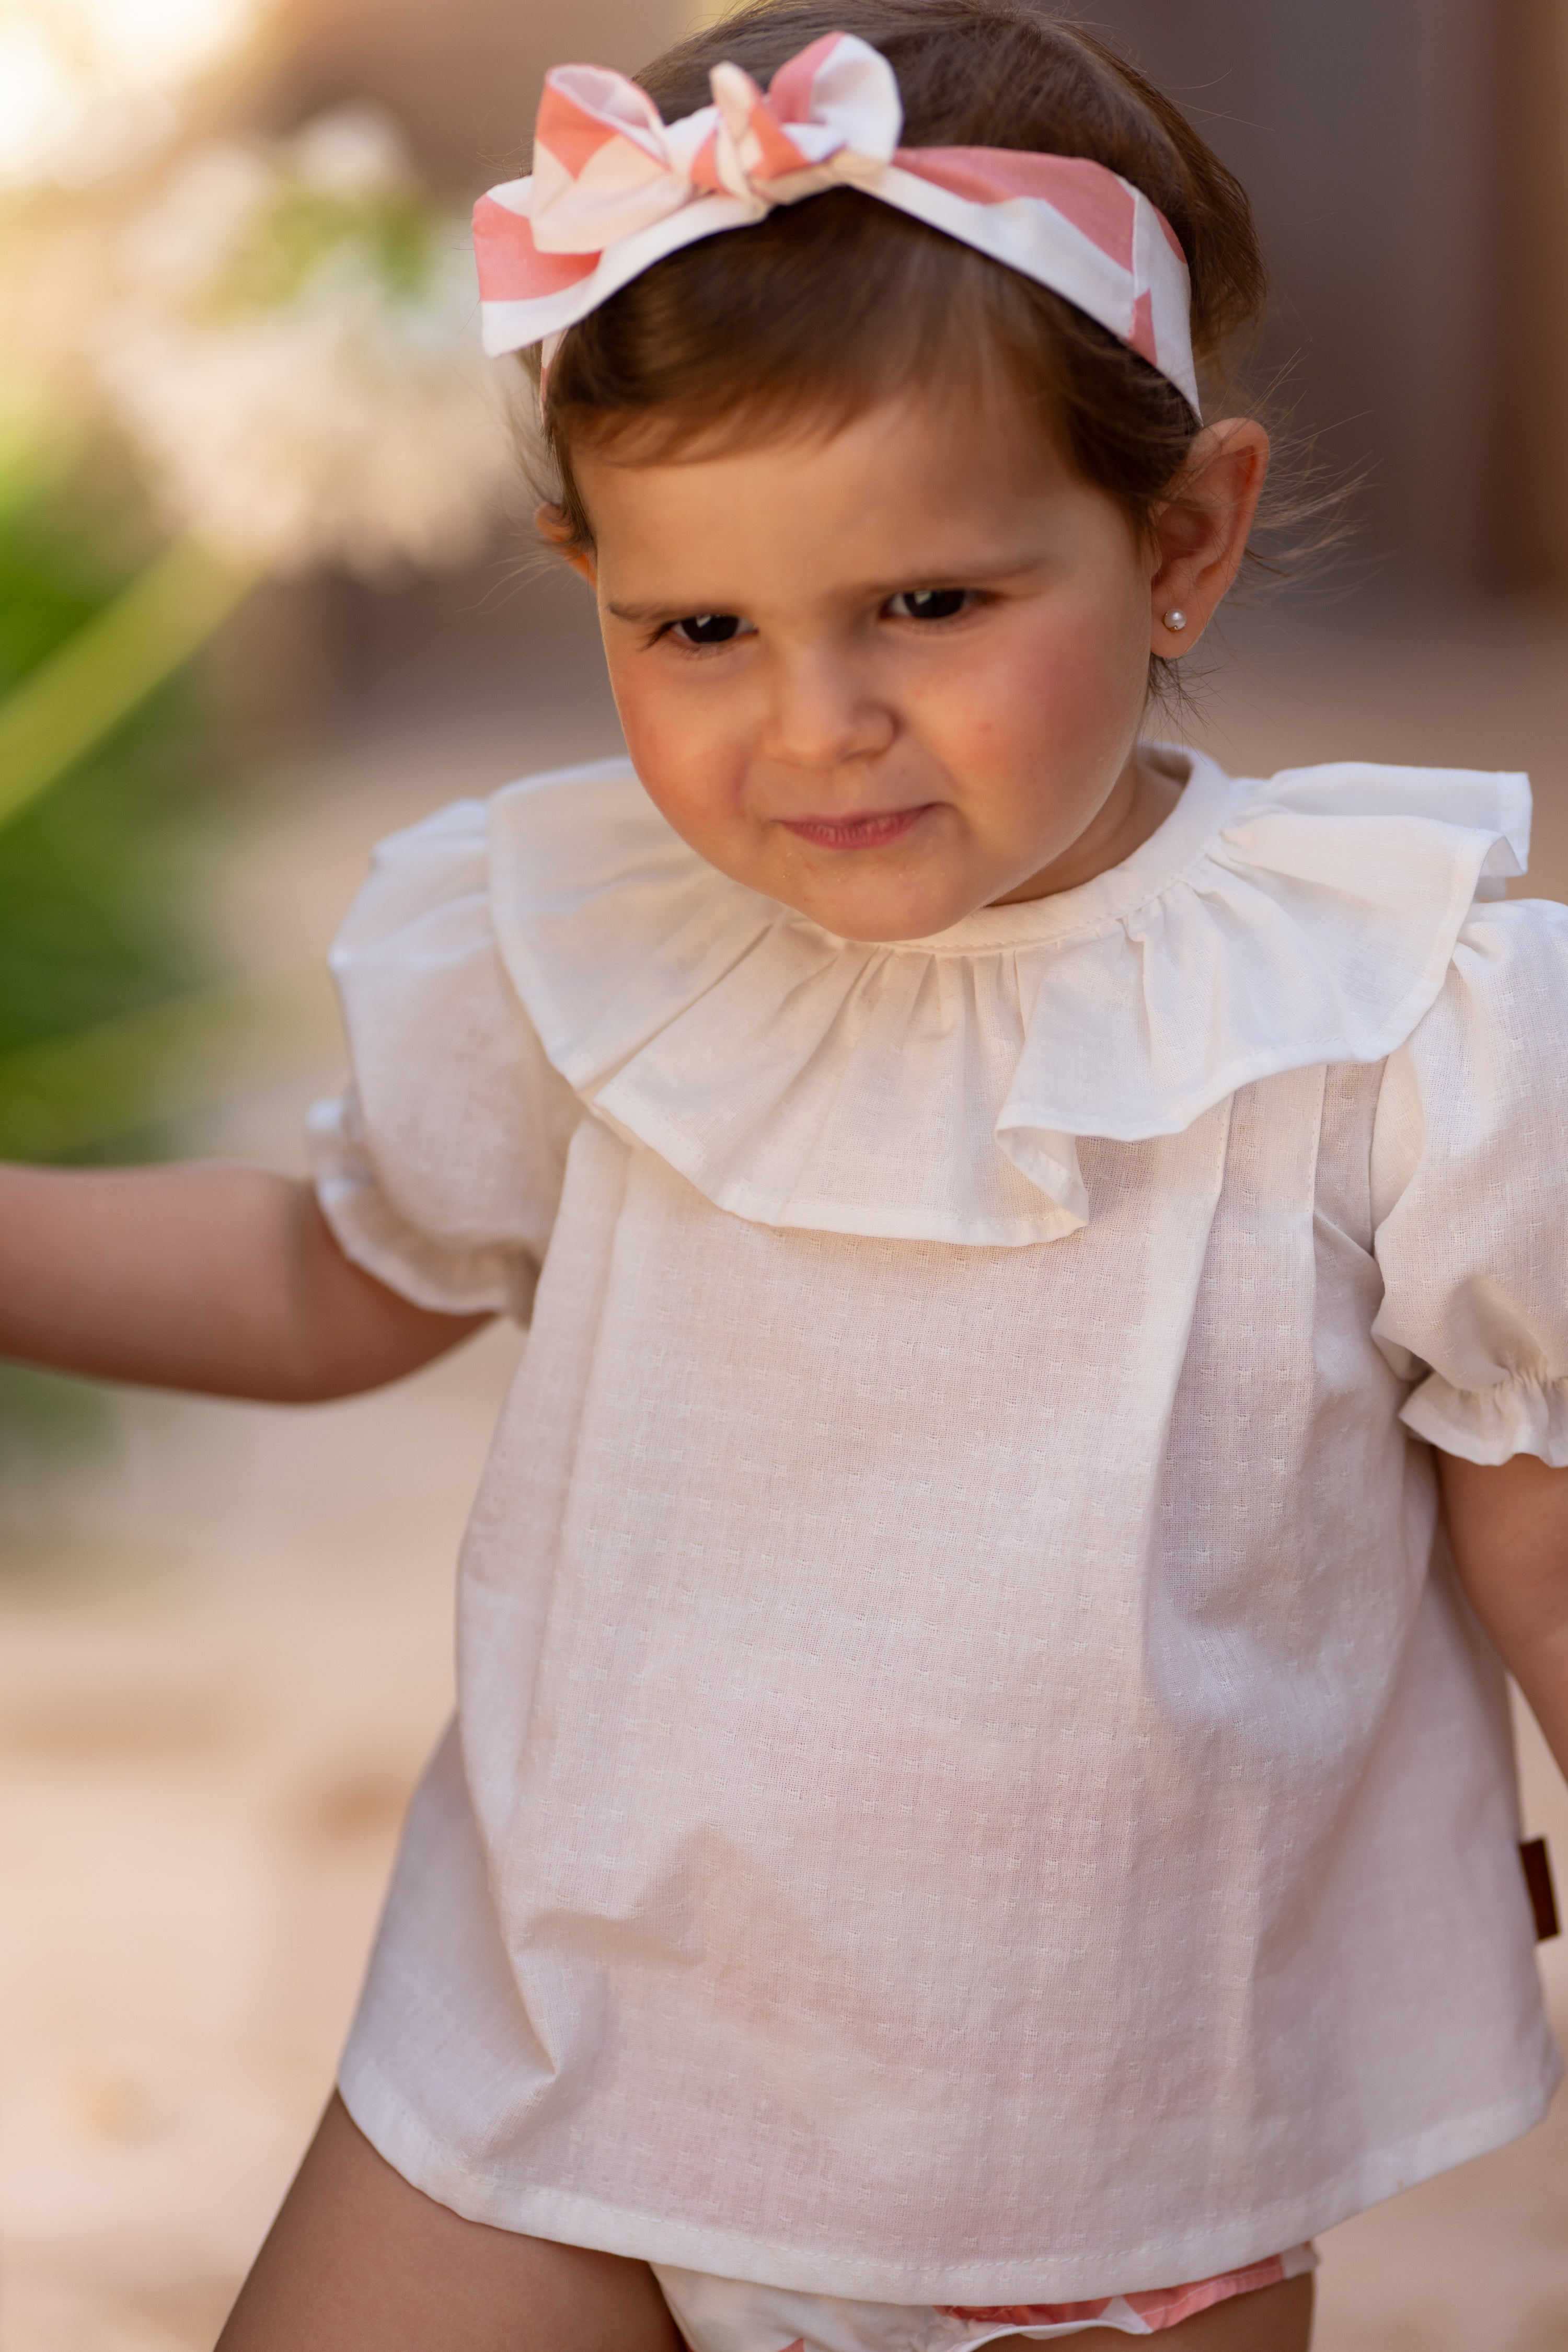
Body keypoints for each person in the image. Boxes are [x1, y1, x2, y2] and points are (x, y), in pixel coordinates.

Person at [4, 4, 1566, 2346]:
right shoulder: (590, 955)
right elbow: (337, 1279)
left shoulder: (1383, 1017)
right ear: (587, 577)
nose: (813, 721)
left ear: (1183, 540)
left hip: (1104, 2151)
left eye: (929, 605)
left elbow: (1533, 1510)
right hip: (549, 2058)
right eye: (697, 627)